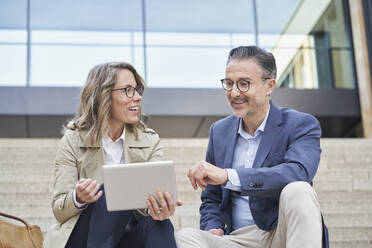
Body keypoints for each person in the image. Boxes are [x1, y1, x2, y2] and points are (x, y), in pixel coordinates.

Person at [176, 46, 329, 248]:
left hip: (279, 233)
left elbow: (299, 172)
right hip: (236, 239)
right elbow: (211, 198)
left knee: (299, 190)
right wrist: (212, 225)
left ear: (269, 86)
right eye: (229, 84)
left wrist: (230, 176)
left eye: (244, 84)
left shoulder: (300, 124)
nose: (234, 93)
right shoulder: (219, 131)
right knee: (183, 238)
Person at [44, 62, 181, 248]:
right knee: (110, 191)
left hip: (127, 235)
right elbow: (59, 210)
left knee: (161, 225)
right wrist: (79, 197)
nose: (138, 97)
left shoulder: (150, 141)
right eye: (128, 90)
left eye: (138, 90)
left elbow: (153, 199)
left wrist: (159, 207)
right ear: (104, 96)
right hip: (82, 238)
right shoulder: (73, 140)